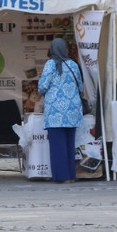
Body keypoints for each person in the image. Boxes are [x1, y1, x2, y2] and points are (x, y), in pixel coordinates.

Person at [37, 38, 84, 183]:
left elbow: (42, 87)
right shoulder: (73, 65)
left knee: (58, 146)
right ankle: (71, 175)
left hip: (55, 112)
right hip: (73, 110)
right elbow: (81, 88)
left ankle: (62, 177)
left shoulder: (50, 64)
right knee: (70, 145)